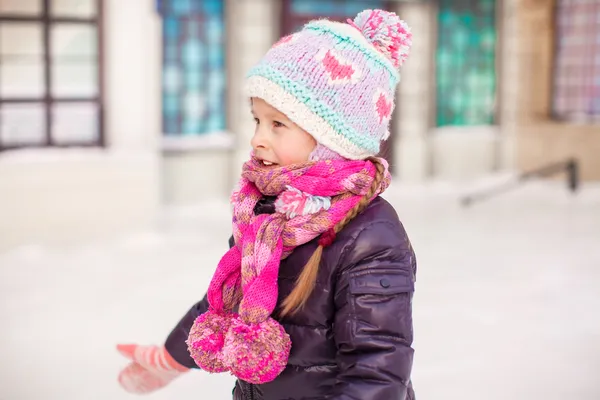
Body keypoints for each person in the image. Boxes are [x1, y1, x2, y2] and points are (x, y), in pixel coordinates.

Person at [116, 9, 416, 400]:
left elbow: (376, 370)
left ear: (332, 141)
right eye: (257, 120)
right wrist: (170, 358)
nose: (258, 139)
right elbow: (222, 300)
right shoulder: (264, 211)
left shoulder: (371, 236)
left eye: (278, 125)